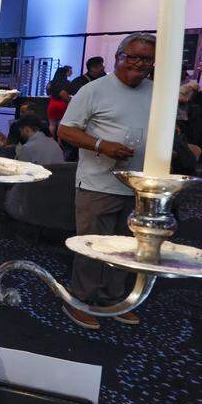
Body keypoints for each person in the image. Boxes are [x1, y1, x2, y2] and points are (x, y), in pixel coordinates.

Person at [58, 32, 156, 329]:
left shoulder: (157, 92)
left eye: (146, 59)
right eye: (133, 57)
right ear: (118, 57)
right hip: (98, 184)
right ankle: (81, 301)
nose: (139, 64)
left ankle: (114, 300)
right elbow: (66, 130)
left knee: (127, 247)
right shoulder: (94, 90)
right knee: (92, 246)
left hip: (140, 185)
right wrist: (102, 145)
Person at [46, 65, 73, 139]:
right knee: (61, 125)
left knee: (52, 125)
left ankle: (50, 140)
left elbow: (48, 93)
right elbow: (67, 94)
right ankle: (60, 142)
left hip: (52, 104)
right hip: (62, 104)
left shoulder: (51, 83)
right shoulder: (67, 83)